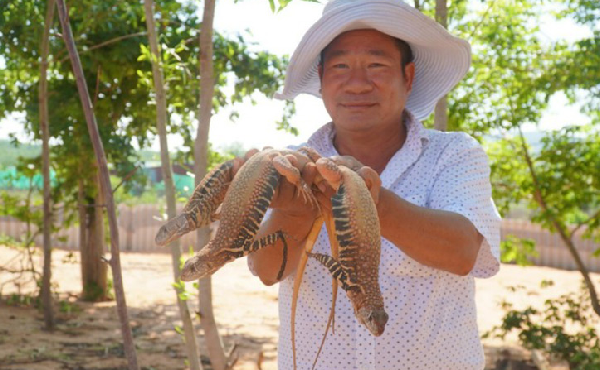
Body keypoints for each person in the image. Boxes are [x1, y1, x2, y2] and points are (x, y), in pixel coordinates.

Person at [246, 0, 502, 369]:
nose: (357, 83)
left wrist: (371, 202)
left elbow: (463, 252)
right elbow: (268, 270)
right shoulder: (290, 166)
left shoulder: (454, 154)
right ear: (321, 78)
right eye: (340, 66)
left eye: (377, 65)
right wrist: (296, 207)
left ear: (408, 76)